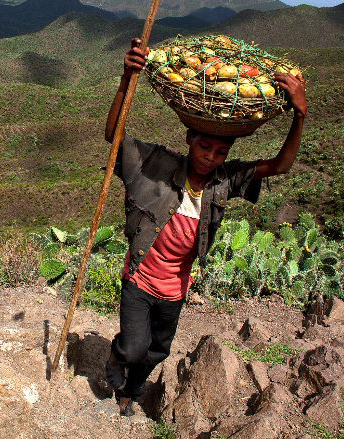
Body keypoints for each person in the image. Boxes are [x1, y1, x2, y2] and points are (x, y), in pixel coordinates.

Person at [104, 38, 307, 416]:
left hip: (176, 289)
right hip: (140, 280)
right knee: (133, 347)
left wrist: (299, 115)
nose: (210, 158)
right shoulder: (158, 166)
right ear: (189, 139)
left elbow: (279, 166)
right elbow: (114, 135)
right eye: (204, 148)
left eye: (219, 153)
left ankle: (131, 391)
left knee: (157, 351)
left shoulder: (223, 181)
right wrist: (126, 78)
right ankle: (116, 359)